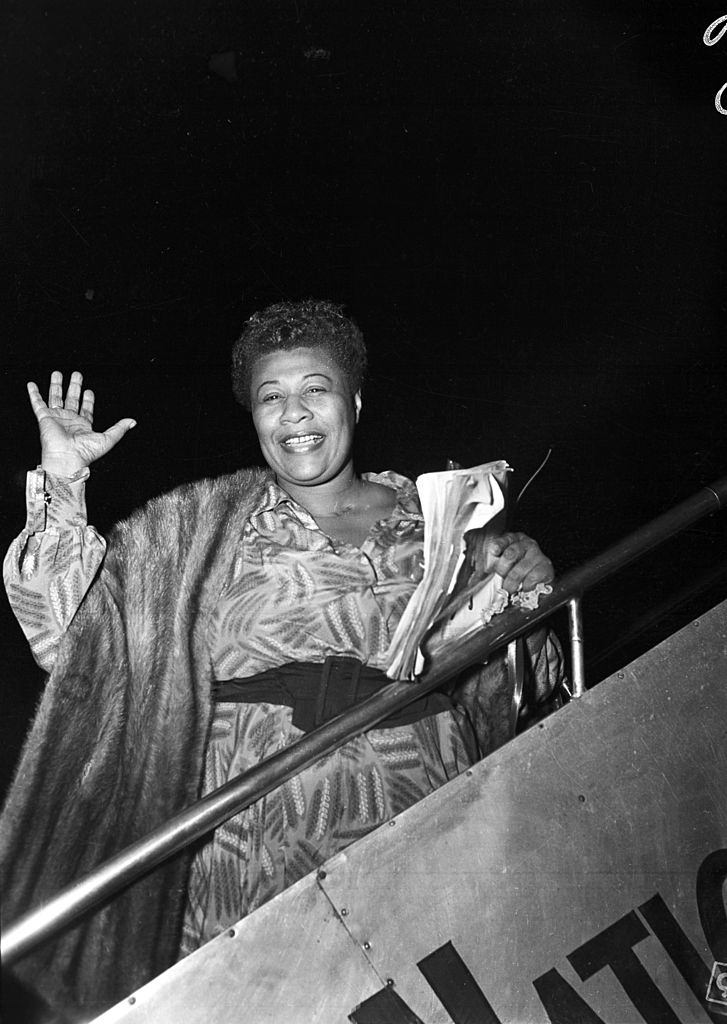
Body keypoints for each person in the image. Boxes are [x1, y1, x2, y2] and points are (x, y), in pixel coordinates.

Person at [1, 300, 562, 1021]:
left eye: (314, 390)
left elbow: (515, 690)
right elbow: (70, 644)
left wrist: (524, 592)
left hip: (425, 813)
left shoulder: (440, 519)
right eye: (272, 398)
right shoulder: (204, 528)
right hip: (251, 843)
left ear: (353, 400)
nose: (293, 415)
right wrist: (64, 487)